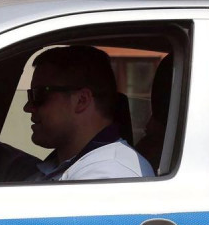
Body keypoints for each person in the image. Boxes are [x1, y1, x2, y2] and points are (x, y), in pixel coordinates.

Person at [23, 45, 154, 181]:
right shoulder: (69, 164)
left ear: (82, 100)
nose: (27, 107)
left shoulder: (110, 174)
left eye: (38, 95)